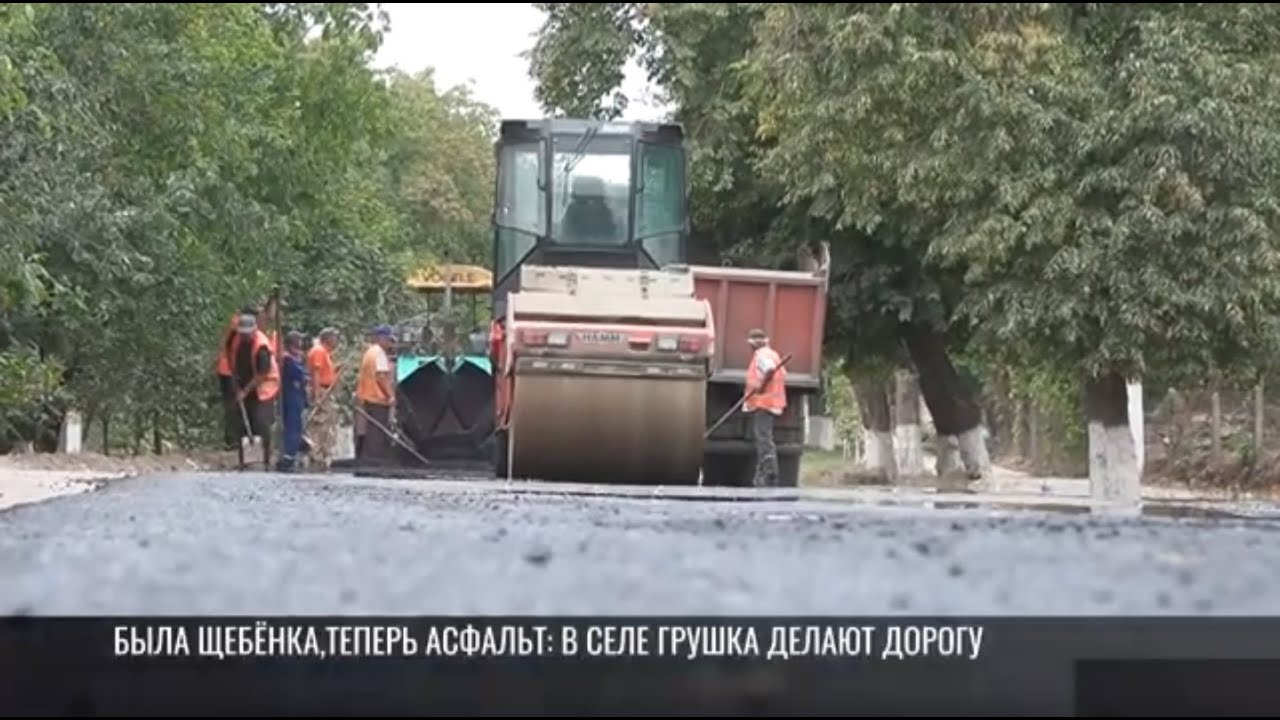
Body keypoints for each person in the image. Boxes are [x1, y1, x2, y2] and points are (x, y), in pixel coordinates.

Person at [224, 308, 280, 468]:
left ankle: (265, 458)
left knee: (260, 421)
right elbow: (229, 354)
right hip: (244, 380)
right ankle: (246, 459)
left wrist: (245, 391)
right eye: (242, 333)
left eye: (248, 333)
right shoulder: (235, 338)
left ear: (254, 330)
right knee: (242, 421)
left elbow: (262, 374)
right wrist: (234, 378)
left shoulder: (261, 346)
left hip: (265, 384)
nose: (245, 336)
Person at [743, 328, 786, 487]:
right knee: (765, 437)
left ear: (755, 344)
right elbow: (782, 373)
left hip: (764, 402)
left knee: (763, 438)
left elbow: (769, 370)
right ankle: (768, 470)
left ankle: (768, 472)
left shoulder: (761, 355)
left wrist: (761, 385)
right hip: (769, 403)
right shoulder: (773, 354)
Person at [354, 325, 396, 465]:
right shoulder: (380, 354)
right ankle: (374, 459)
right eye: (389, 340)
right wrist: (390, 395)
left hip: (367, 396)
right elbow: (381, 377)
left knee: (371, 430)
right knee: (377, 432)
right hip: (377, 398)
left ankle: (367, 458)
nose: (391, 343)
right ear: (382, 339)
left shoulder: (370, 352)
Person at [305, 327, 342, 470]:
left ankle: (321, 453)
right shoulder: (319, 351)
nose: (337, 341)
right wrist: (317, 395)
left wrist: (337, 370)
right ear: (328, 338)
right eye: (335, 337)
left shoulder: (325, 353)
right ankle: (316, 454)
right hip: (321, 390)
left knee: (326, 423)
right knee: (320, 423)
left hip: (325, 389)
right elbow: (316, 373)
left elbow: (324, 372)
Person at [275, 331, 309, 472]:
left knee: (296, 426)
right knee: (293, 427)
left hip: (297, 396)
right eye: (298, 341)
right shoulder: (288, 360)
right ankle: (288, 457)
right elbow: (301, 376)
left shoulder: (295, 359)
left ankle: (292, 453)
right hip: (291, 396)